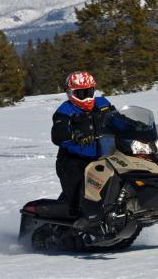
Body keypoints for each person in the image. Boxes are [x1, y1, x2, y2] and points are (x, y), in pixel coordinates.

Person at [51, 71, 115, 216]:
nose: (86, 97)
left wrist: (135, 125)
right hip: (73, 160)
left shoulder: (103, 103)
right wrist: (75, 135)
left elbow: (118, 119)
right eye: (81, 93)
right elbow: (57, 134)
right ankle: (71, 224)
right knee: (77, 201)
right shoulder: (65, 111)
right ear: (70, 93)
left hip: (104, 155)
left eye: (89, 91)